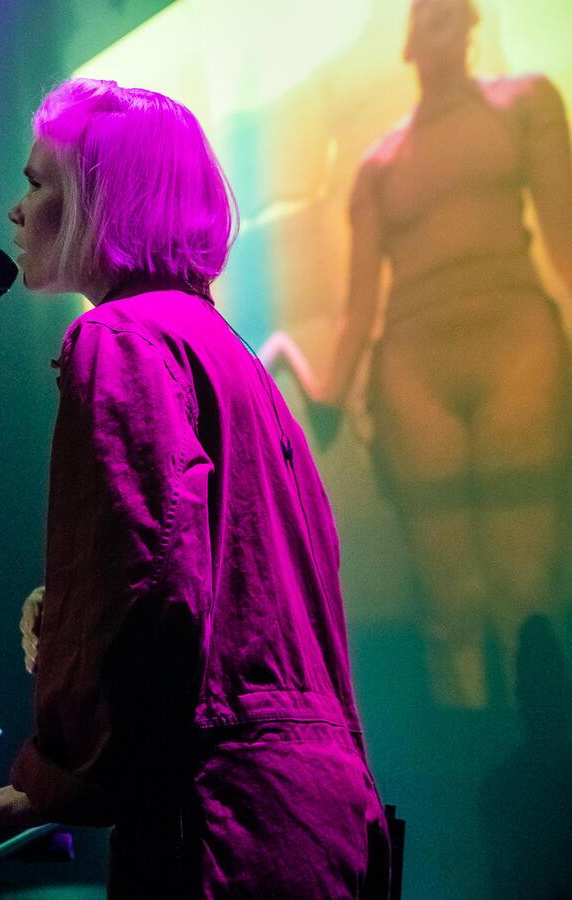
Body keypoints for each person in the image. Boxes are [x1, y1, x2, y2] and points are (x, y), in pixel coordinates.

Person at [0, 79, 391, 898]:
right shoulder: (230, 356)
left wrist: (47, 783)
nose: (15, 211)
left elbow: (151, 583)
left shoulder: (118, 336)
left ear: (102, 200)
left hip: (225, 825)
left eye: (38, 182)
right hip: (322, 812)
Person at [303, 0, 572, 710]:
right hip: (413, 369)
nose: (438, 18)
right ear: (407, 43)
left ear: (474, 24)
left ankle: (539, 766)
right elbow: (361, 311)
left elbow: (566, 245)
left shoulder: (527, 103)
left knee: (527, 585)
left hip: (517, 343)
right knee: (446, 595)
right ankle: (472, 767)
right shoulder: (378, 166)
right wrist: (327, 394)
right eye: (425, 12)